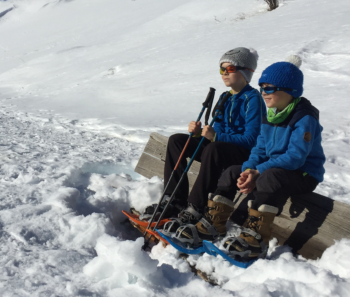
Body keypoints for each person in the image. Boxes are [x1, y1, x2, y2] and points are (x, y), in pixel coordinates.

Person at [177, 55, 326, 260]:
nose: (264, 92)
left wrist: (258, 171)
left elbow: (295, 157)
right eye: (262, 87)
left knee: (268, 177)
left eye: (270, 88)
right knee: (232, 172)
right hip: (272, 170)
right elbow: (259, 149)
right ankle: (214, 223)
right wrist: (248, 169)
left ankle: (256, 238)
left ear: (290, 90)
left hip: (303, 174)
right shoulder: (271, 115)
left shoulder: (304, 118)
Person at [140, 47, 265, 230]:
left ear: (245, 71)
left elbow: (252, 140)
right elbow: (218, 132)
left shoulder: (253, 99)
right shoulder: (225, 97)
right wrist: (200, 134)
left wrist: (215, 136)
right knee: (177, 141)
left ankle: (197, 206)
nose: (224, 74)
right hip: (220, 148)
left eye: (230, 69)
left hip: (242, 153)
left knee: (214, 149)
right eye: (222, 69)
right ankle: (174, 199)